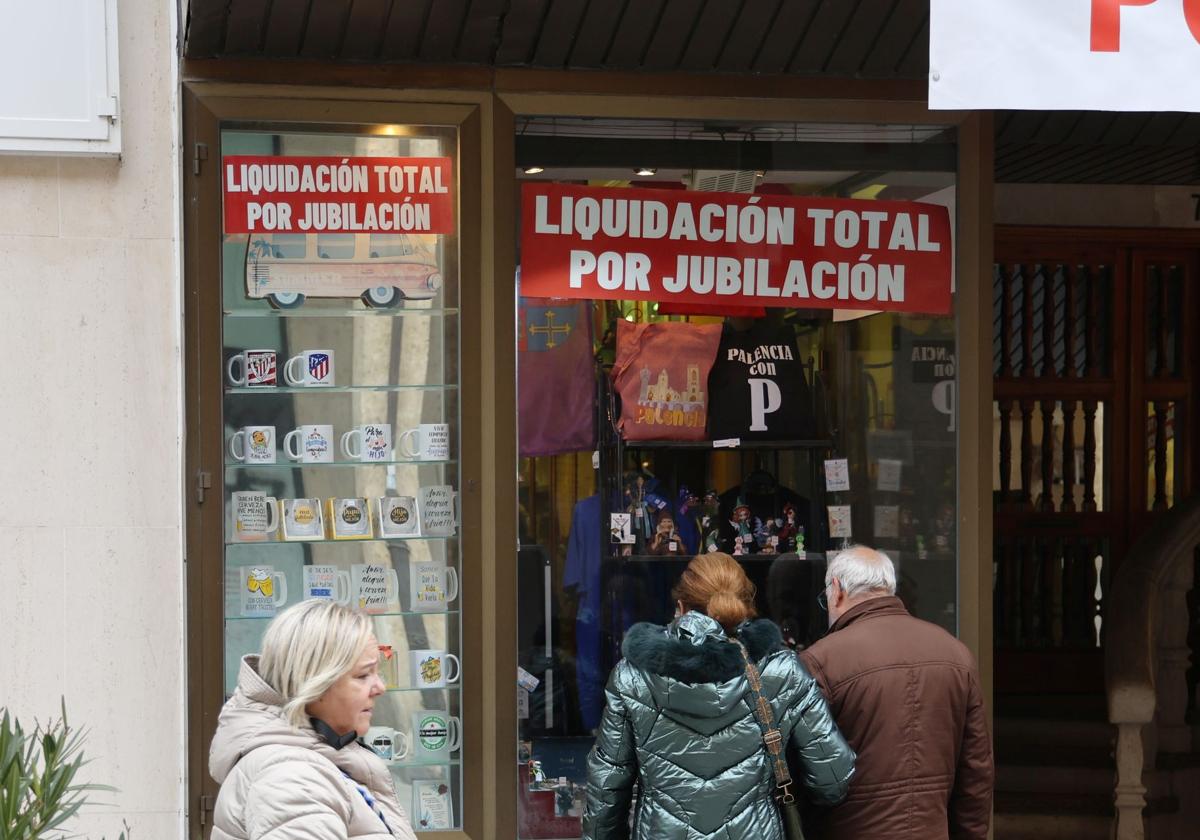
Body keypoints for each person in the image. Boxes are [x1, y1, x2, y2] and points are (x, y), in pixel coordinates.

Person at [584, 552, 855, 840]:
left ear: (680, 606)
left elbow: (606, 790)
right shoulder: (781, 670)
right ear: (743, 607)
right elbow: (832, 780)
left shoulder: (633, 676)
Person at [799, 545, 994, 840]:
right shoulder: (956, 654)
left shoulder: (820, 661)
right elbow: (976, 773)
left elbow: (808, 777)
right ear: (888, 587)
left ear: (836, 590)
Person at [209, 599, 418, 840]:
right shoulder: (293, 779)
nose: (380, 687)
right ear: (314, 683)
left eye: (376, 672)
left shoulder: (311, 762)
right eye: (362, 675)